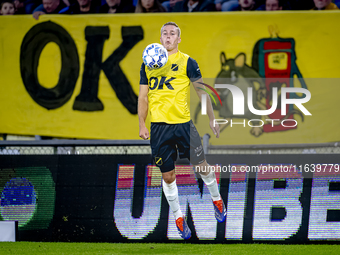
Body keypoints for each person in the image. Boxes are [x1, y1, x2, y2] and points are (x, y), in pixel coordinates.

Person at [138, 22, 226, 239]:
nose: (168, 37)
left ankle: (216, 198)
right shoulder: (147, 63)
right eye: (164, 34)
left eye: (172, 34)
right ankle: (178, 216)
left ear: (178, 40)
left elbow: (202, 93)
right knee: (167, 176)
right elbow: (143, 97)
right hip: (159, 128)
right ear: (160, 38)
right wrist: (142, 123)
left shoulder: (188, 62)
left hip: (184, 126)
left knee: (202, 167)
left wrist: (212, 119)